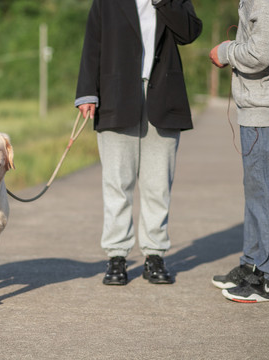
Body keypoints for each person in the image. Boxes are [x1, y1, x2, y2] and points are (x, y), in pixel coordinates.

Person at [75, 0, 202, 285]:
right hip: (115, 96)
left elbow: (190, 33)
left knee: (158, 184)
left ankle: (154, 255)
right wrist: (86, 92)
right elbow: (92, 43)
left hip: (164, 98)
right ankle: (117, 257)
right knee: (117, 183)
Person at [209, 0, 269, 302]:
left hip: (268, 111)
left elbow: (261, 54)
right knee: (258, 192)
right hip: (267, 109)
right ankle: (253, 265)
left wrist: (225, 52)